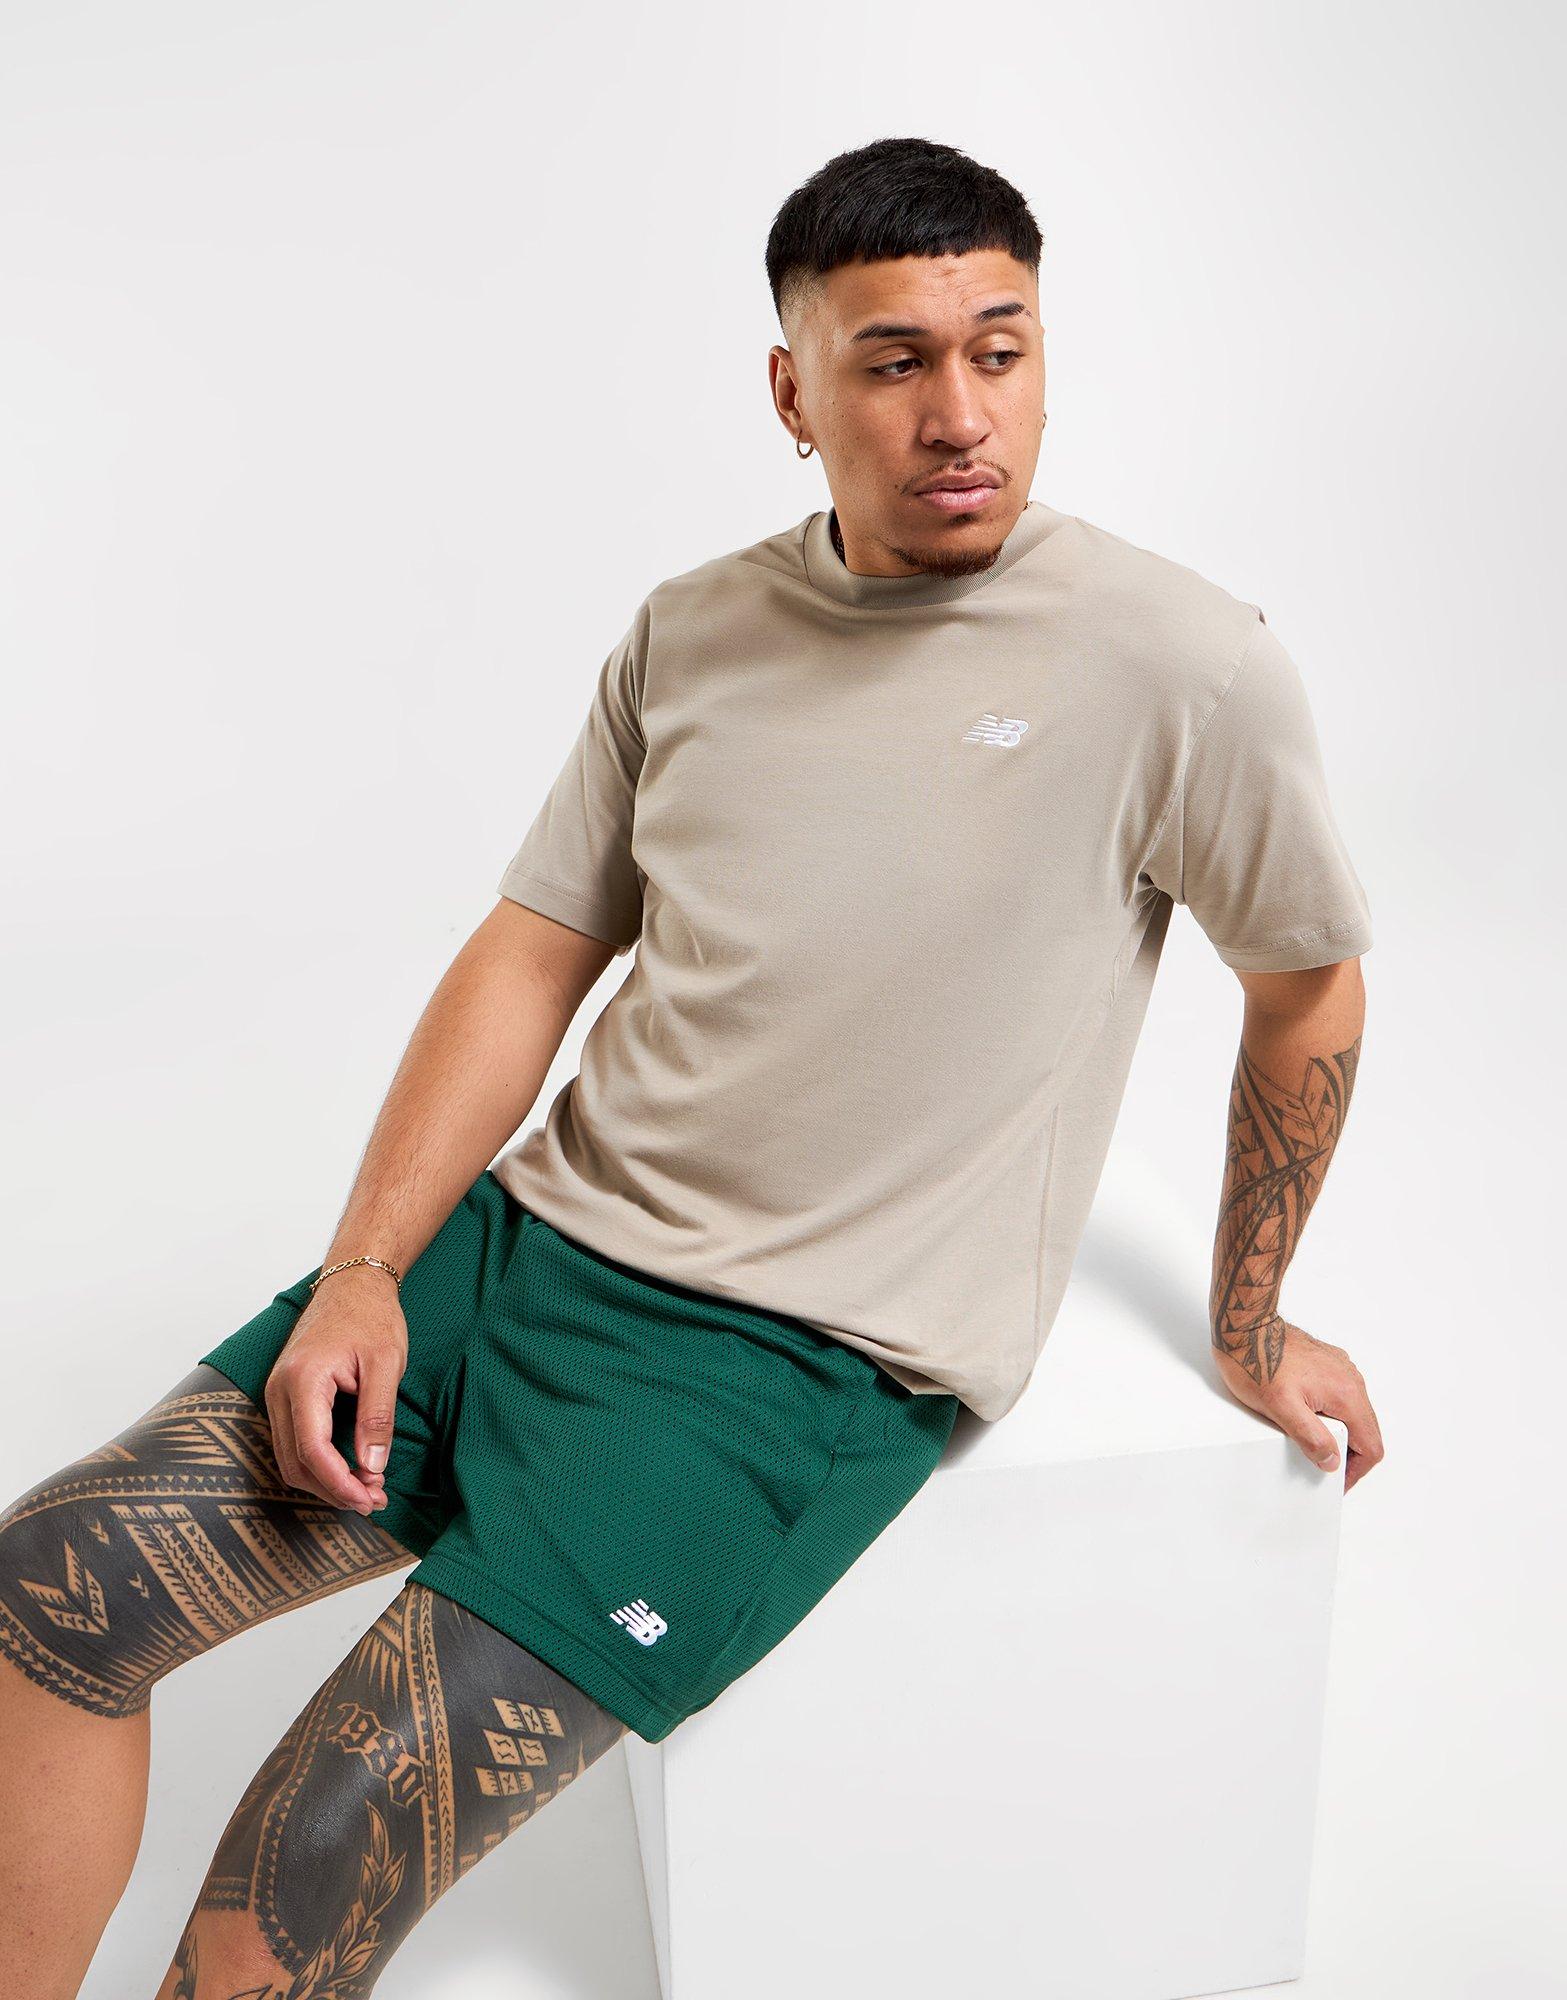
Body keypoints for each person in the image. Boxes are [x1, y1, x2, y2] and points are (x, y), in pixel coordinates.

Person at [0, 134, 1386, 1996]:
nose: (961, 413)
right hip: (525, 1256)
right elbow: (534, 950)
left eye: (1003, 349)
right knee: (44, 1594)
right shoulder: (693, 630)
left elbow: (1307, 990)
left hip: (790, 1374)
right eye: (894, 362)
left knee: (320, 1848)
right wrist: (366, 1270)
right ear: (792, 394)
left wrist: (1251, 1318)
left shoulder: (1183, 666)